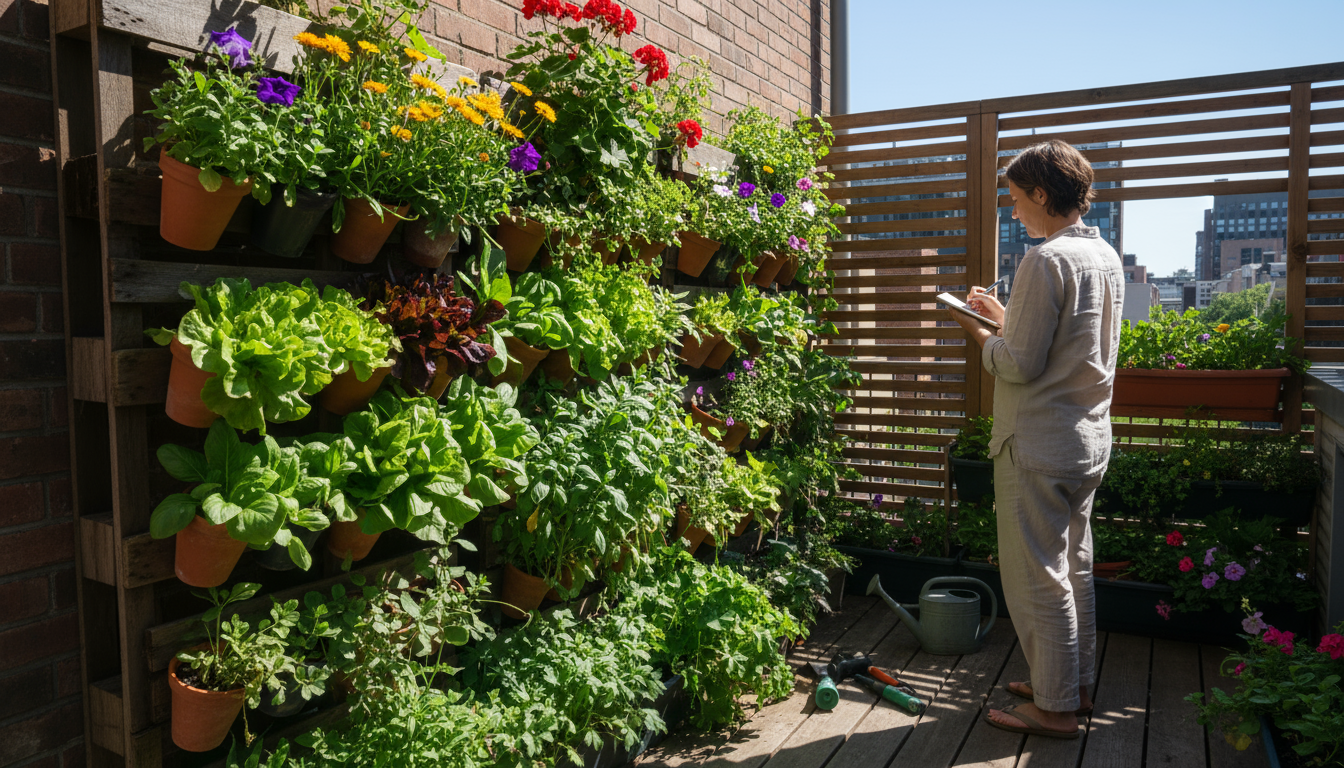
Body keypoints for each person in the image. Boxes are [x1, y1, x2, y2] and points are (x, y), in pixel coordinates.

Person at [948, 139, 1124, 740]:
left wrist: (976, 330)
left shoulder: (1046, 261)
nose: (1014, 210)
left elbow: (1017, 365)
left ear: (1043, 194)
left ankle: (1052, 712)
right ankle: (1069, 687)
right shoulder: (1104, 256)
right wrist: (1004, 315)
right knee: (1073, 567)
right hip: (1086, 441)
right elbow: (1060, 345)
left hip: (1038, 445)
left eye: (1018, 199)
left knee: (1037, 578)